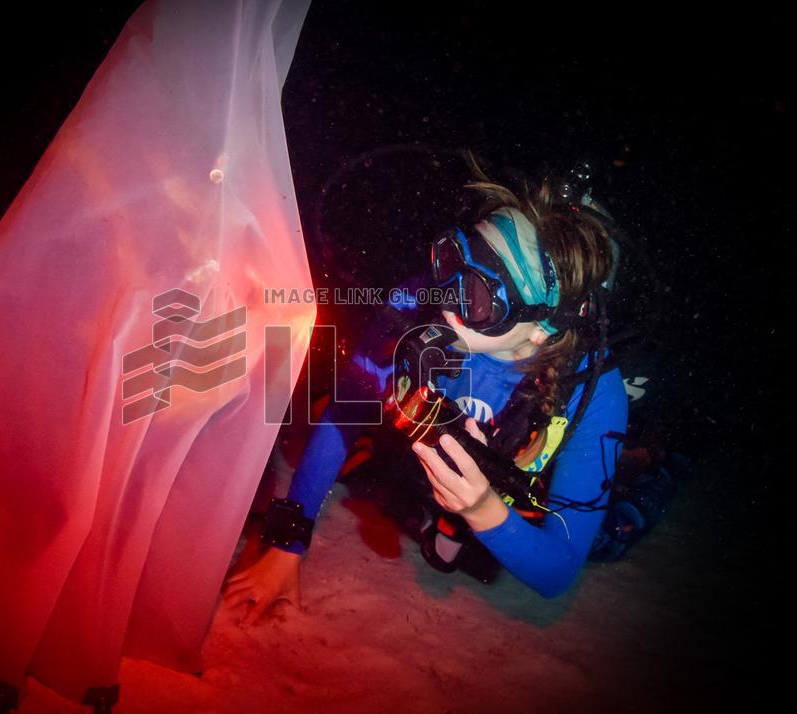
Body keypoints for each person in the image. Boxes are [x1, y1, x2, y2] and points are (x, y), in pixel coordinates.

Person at [222, 165, 636, 623]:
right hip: (429, 458)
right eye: (455, 260)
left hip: (510, 490)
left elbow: (557, 573)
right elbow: (348, 408)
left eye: (481, 293)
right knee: (382, 477)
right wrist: (287, 544)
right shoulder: (416, 299)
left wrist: (482, 510)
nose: (449, 294)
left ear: (542, 328)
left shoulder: (594, 393)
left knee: (609, 536)